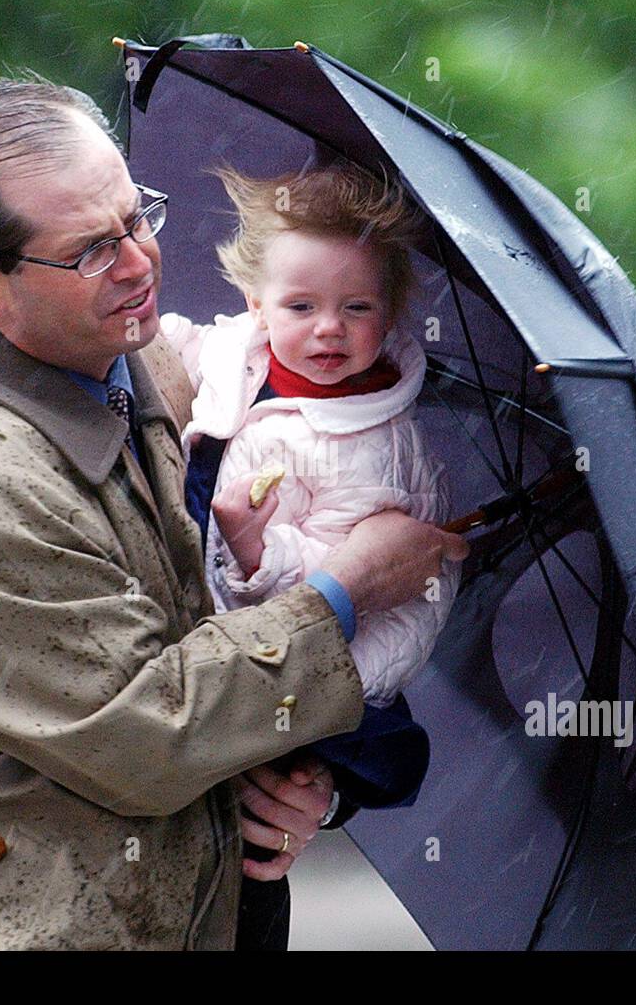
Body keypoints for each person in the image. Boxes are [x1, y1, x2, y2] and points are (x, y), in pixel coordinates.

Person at [0, 75, 468, 951]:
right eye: (92, 251)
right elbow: (154, 732)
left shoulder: (166, 373)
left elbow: (224, 663)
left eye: (137, 217)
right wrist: (350, 587)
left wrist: (311, 793)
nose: (141, 262)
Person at [161, 163, 460, 948]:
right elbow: (188, 353)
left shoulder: (378, 447)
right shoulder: (239, 362)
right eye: (302, 306)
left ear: (391, 311)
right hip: (219, 679)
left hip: (332, 676)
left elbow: (363, 573)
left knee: (274, 805)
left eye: (356, 308)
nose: (329, 329)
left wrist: (264, 556)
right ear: (255, 303)